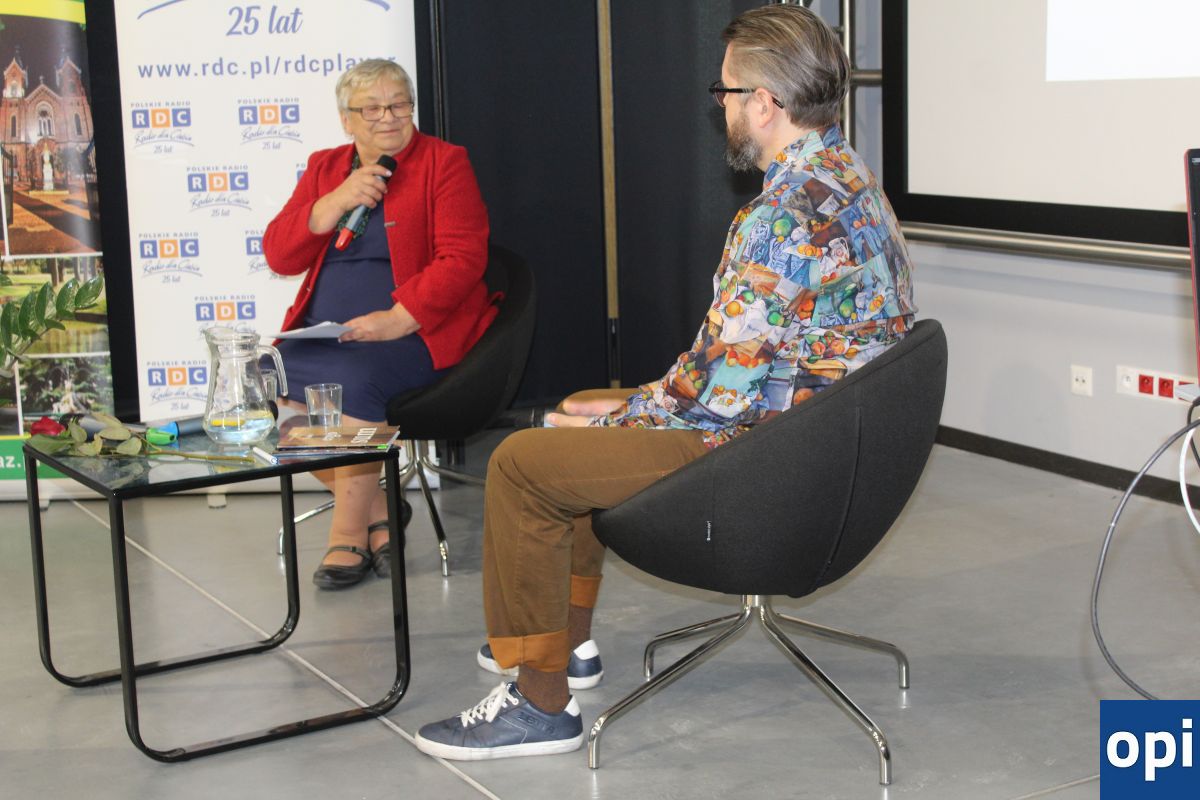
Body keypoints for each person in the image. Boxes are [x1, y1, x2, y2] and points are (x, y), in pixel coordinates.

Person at [414, 4, 917, 760]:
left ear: (764, 103)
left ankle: (539, 702)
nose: (720, 107)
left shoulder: (779, 217)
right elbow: (735, 370)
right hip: (824, 441)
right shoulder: (852, 179)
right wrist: (622, 409)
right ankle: (563, 644)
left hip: (765, 457)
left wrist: (617, 419)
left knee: (524, 462)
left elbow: (715, 400)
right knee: (579, 419)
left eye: (725, 91)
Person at [263, 59, 493, 590]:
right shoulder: (325, 167)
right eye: (371, 109)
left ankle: (347, 534)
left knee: (352, 381)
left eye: (398, 104)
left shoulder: (444, 162)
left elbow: (463, 259)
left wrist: (398, 319)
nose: (388, 117)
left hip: (413, 331)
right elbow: (279, 254)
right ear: (347, 119)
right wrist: (334, 201)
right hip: (327, 330)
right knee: (268, 379)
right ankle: (380, 512)